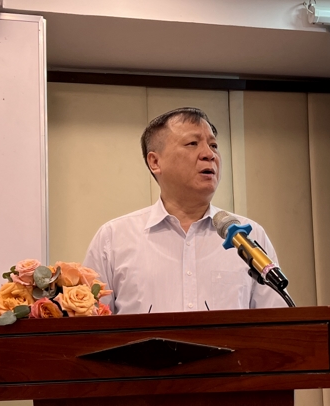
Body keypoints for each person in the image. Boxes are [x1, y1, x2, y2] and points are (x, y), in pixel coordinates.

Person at [83, 107, 287, 314]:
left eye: (214, 145)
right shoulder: (114, 239)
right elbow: (90, 323)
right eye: (192, 143)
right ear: (155, 162)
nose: (209, 155)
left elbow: (276, 321)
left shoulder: (249, 236)